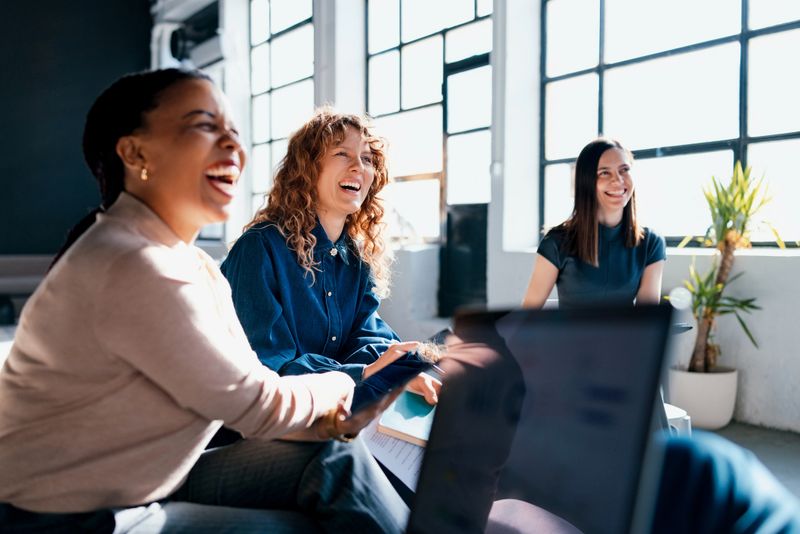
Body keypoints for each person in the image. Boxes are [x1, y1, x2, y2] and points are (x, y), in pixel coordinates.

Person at [0, 69, 407, 533]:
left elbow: (260, 390)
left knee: (338, 459)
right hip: (66, 518)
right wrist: (349, 386)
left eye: (233, 131)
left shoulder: (193, 265)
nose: (233, 146)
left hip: (153, 485)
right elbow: (260, 404)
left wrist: (351, 408)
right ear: (135, 153)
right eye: (204, 126)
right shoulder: (129, 260)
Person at [221, 108, 440, 406]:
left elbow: (367, 337)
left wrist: (405, 365)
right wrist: (364, 373)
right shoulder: (259, 249)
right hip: (271, 420)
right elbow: (271, 367)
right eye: (342, 154)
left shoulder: (356, 258)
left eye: (366, 159)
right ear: (307, 168)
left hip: (337, 410)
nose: (358, 167)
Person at [523, 137, 666, 309]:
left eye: (624, 170)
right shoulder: (556, 242)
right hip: (570, 337)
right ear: (587, 181)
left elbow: (646, 322)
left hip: (625, 337)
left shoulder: (651, 243)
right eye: (605, 172)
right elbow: (527, 316)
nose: (618, 180)